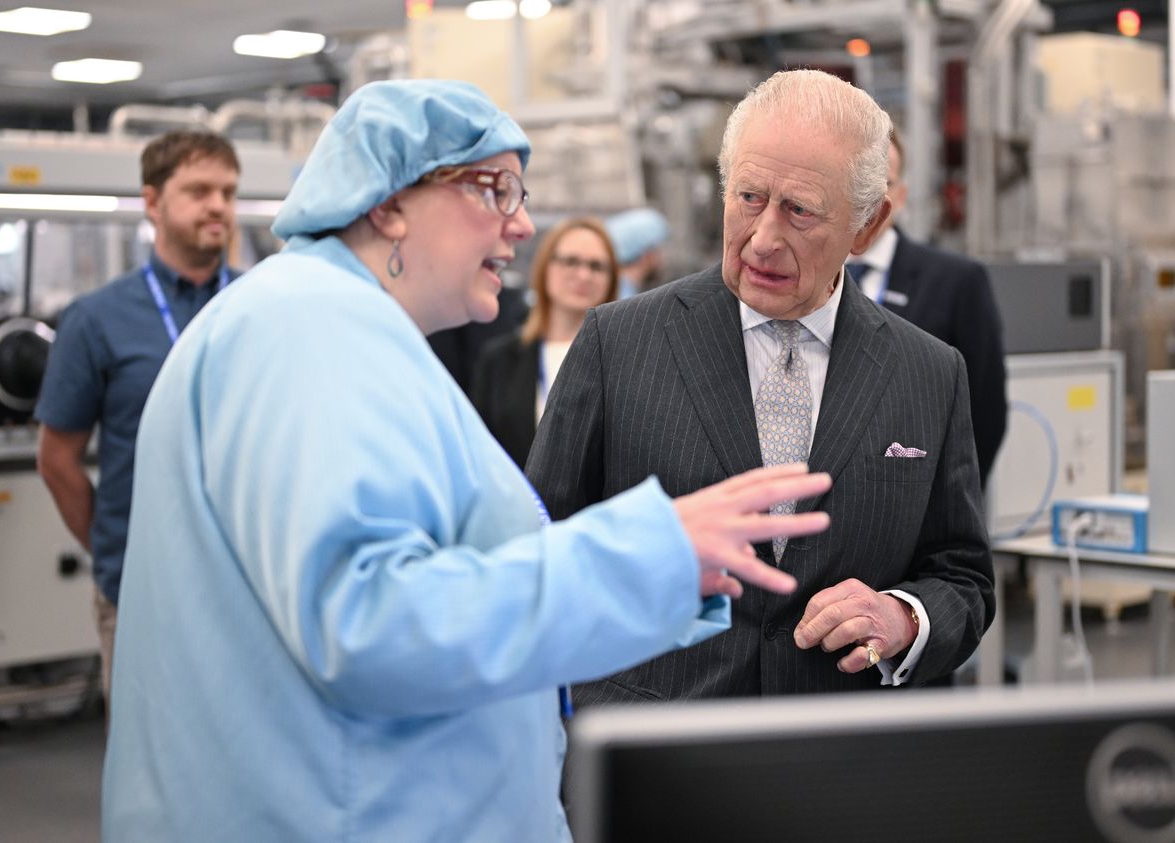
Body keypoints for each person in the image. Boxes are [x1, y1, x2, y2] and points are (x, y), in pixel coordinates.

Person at [100, 79, 834, 842]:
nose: (520, 225)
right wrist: (643, 554)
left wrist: (669, 576)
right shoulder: (308, 327)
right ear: (387, 202)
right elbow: (367, 622)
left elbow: (441, 571)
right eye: (494, 188)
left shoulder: (343, 331)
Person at [528, 69, 996, 704]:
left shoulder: (930, 373)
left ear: (867, 226)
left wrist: (904, 617)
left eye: (800, 211)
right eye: (749, 197)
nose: (764, 239)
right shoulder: (620, 342)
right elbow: (542, 547)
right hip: (654, 755)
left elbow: (962, 575)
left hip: (839, 762)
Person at [33, 129, 240, 709]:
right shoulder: (96, 320)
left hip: (248, 587)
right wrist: (114, 545)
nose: (218, 205)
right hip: (142, 591)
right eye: (199, 190)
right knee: (149, 778)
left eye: (227, 190)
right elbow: (57, 460)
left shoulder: (262, 305)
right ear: (152, 202)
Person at [845, 128, 1008, 486]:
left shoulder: (957, 283)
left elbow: (985, 412)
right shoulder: (798, 281)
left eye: (882, 181)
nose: (868, 195)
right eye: (856, 179)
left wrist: (950, 509)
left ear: (900, 197)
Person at [471, 216, 619, 468]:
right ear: (544, 268)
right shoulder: (499, 360)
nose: (583, 275)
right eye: (571, 261)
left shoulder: (624, 363)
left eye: (596, 266)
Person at [604, 206, 669, 298]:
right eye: (659, 249)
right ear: (647, 254)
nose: (663, 257)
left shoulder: (615, 288)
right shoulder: (624, 297)